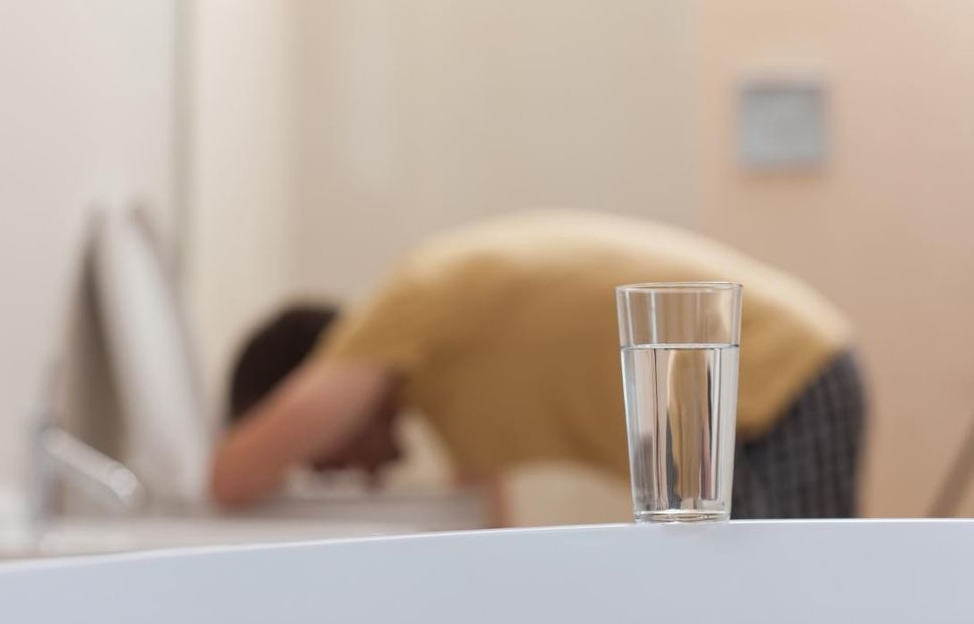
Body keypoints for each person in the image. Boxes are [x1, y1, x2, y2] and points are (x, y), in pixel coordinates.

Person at [211, 210, 866, 519]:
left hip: (775, 372)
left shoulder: (402, 304)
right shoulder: (443, 385)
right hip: (754, 384)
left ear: (317, 383)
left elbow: (232, 477)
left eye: (324, 458)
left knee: (785, 597)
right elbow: (490, 532)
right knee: (757, 594)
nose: (353, 475)